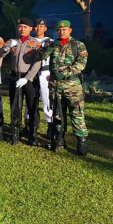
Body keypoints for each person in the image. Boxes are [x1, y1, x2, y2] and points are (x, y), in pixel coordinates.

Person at [43, 20, 89, 155]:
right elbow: (42, 56)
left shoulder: (78, 45)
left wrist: (64, 74)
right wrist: (50, 47)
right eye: (59, 30)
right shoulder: (53, 44)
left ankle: (81, 142)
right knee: (58, 113)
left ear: (70, 30)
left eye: (64, 30)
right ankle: (59, 139)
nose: (61, 32)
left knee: (77, 113)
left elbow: (81, 64)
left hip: (72, 86)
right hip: (56, 86)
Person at [1, 17, 43, 145]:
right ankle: (15, 133)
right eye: (20, 27)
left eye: (25, 27)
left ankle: (32, 135)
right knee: (15, 106)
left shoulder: (35, 44)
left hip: (29, 79)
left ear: (30, 29)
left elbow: (37, 63)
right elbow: (0, 55)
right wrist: (7, 48)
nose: (22, 29)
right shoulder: (12, 41)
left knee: (32, 106)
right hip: (15, 77)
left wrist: (27, 78)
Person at [31, 18, 53, 137]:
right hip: (31, 73)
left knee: (46, 100)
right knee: (31, 99)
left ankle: (50, 125)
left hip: (45, 73)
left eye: (41, 26)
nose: (38, 28)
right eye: (36, 26)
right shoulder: (30, 41)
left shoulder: (51, 42)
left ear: (45, 28)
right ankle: (30, 125)